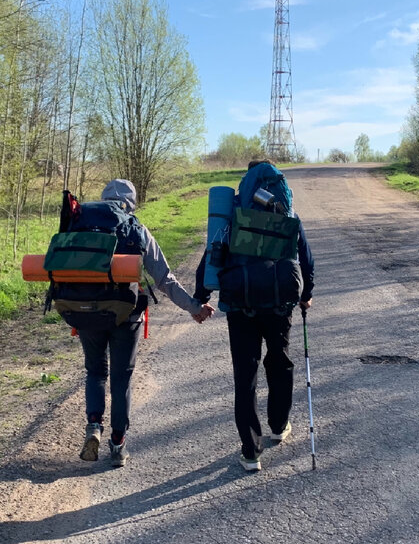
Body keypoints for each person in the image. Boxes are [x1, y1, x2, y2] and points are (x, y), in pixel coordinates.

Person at [58, 179, 213, 467]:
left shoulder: (77, 222)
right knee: (121, 377)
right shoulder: (135, 227)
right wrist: (194, 308)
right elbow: (164, 279)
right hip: (124, 314)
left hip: (83, 311)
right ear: (130, 202)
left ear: (104, 198)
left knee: (94, 372)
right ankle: (117, 444)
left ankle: (93, 425)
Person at [195, 160, 314, 472]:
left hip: (240, 305)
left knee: (245, 375)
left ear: (245, 182)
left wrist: (201, 296)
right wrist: (307, 294)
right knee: (280, 361)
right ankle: (279, 424)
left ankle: (250, 452)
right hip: (278, 302)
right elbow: (305, 256)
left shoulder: (232, 212)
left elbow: (213, 251)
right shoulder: (288, 212)